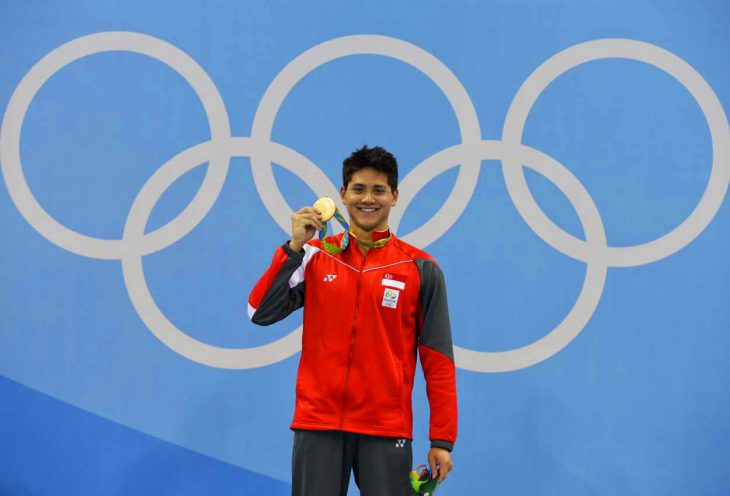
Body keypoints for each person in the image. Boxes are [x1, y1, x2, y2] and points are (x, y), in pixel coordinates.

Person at [248, 145, 457, 496]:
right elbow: (260, 313)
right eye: (358, 189)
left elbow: (438, 360)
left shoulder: (420, 269)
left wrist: (442, 439)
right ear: (342, 195)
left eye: (378, 190)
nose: (368, 199)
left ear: (395, 196)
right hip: (318, 424)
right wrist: (293, 248)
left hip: (386, 428)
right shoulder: (314, 257)